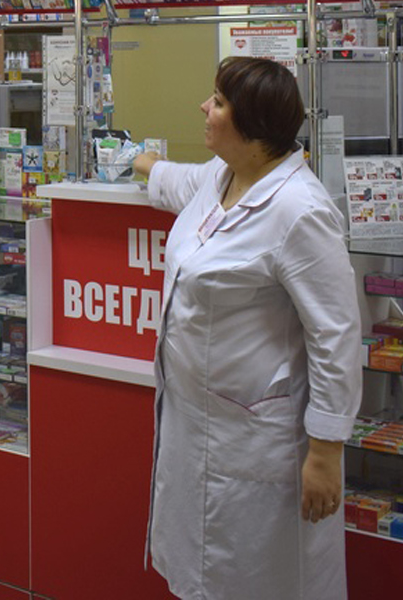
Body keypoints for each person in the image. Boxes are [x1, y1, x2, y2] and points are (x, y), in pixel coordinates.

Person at [131, 56, 360, 600]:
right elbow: (178, 182)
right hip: (197, 424)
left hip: (259, 441)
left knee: (261, 577)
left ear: (253, 127)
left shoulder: (300, 210)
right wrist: (140, 162)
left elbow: (336, 336)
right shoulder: (223, 176)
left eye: (218, 101)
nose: (204, 108)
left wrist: (326, 452)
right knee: (201, 571)